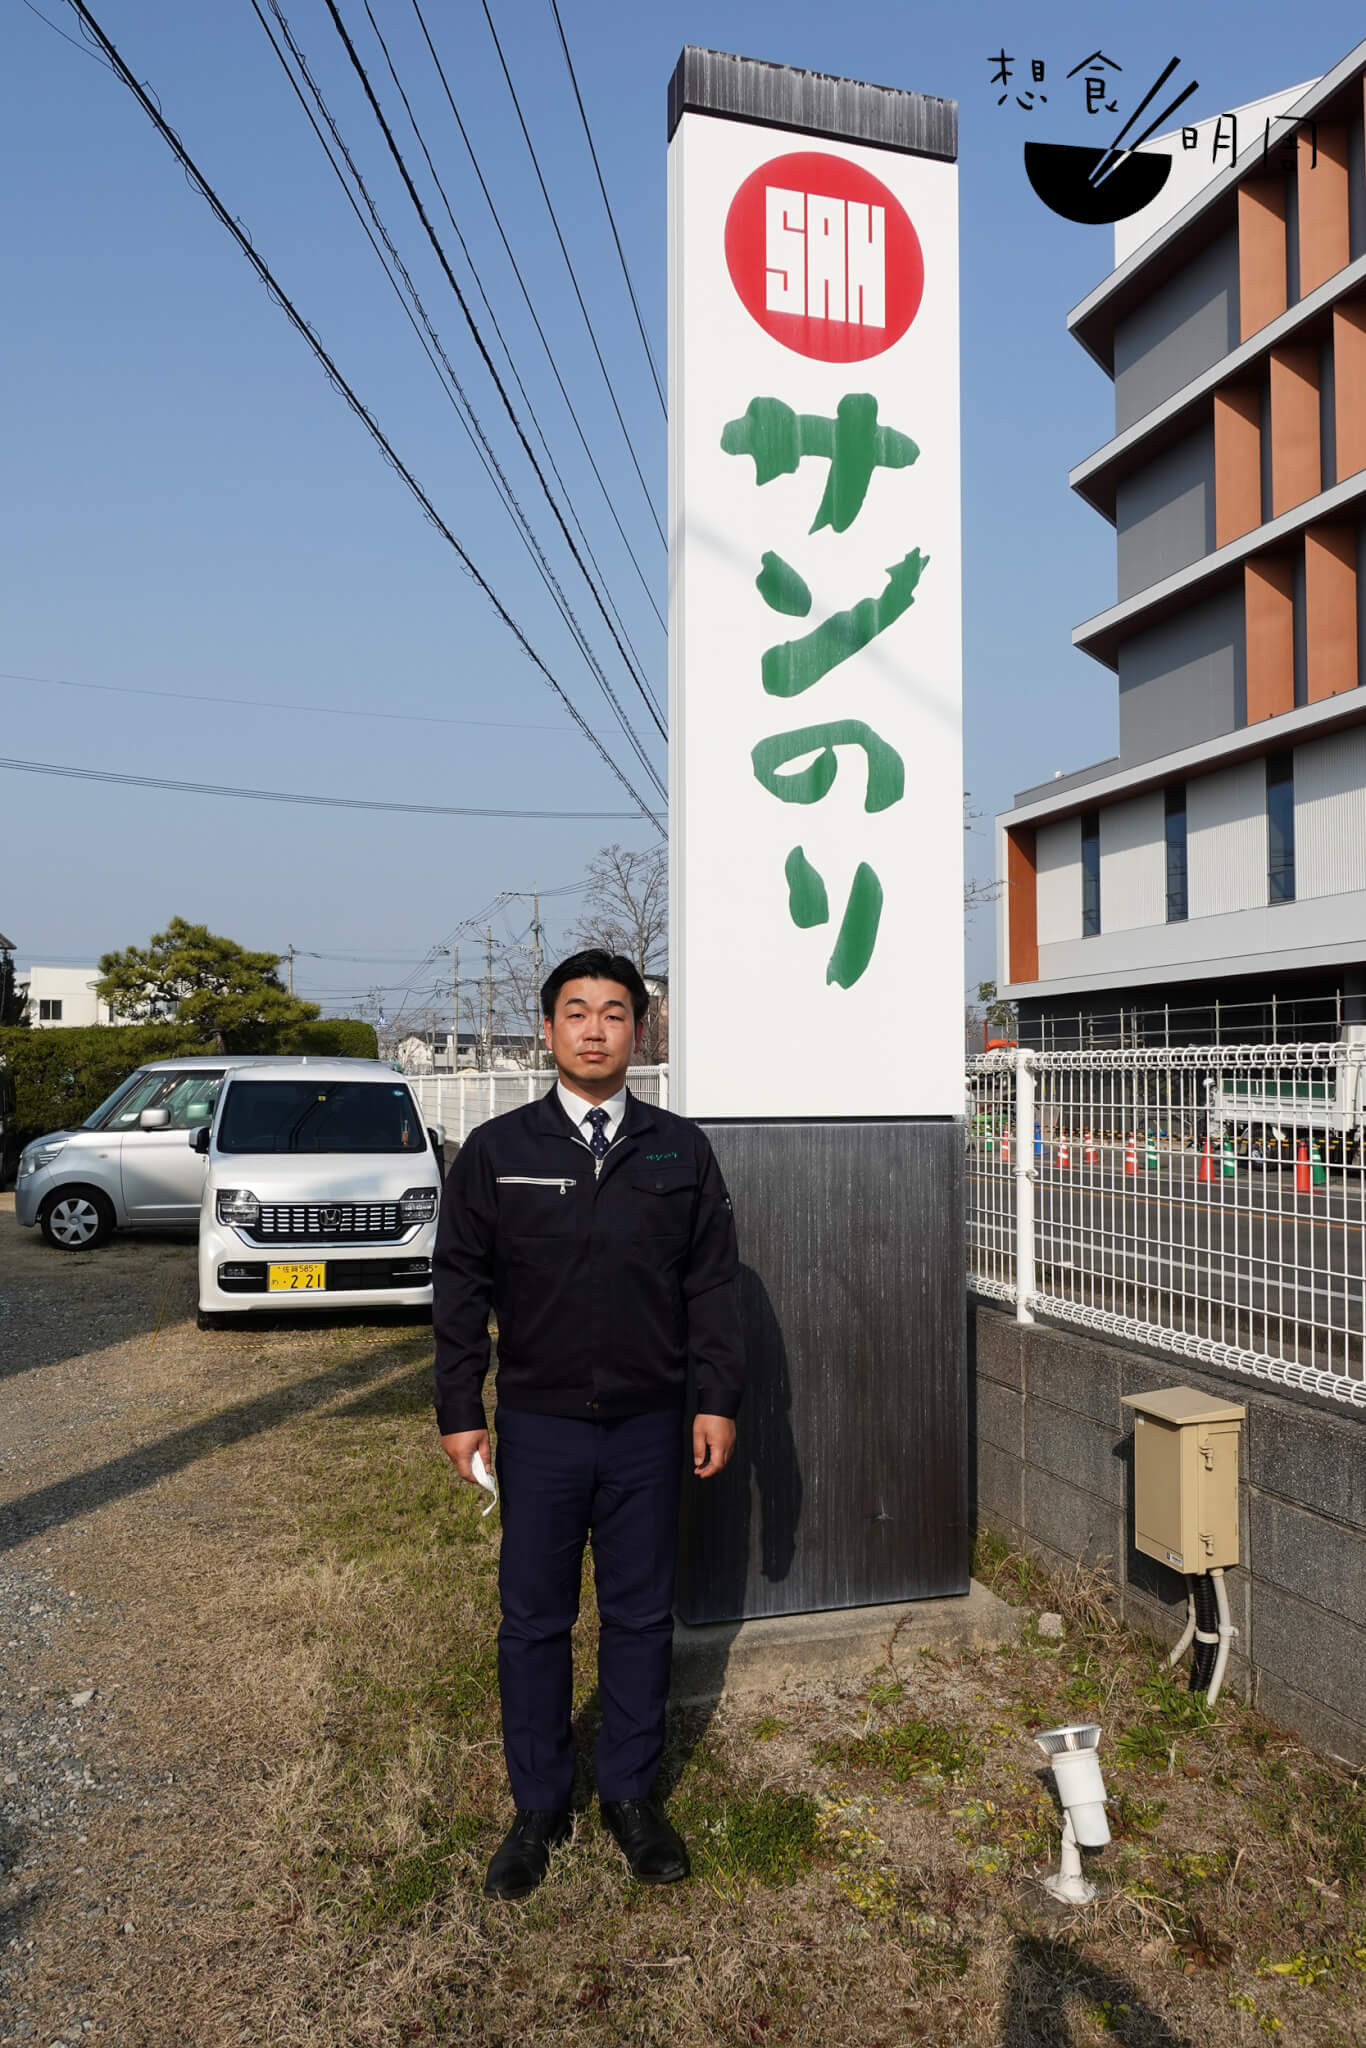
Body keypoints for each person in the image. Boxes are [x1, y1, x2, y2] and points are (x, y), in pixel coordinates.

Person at [432, 948, 744, 1901]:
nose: (597, 1028)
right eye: (578, 1012)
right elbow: (460, 1286)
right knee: (533, 1620)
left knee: (642, 1616)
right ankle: (538, 1805)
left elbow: (713, 1289)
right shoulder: (499, 1150)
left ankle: (631, 1796)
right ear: (549, 1030)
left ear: (639, 1032)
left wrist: (715, 1398)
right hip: (541, 1424)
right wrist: (460, 1409)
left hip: (651, 1428)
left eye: (616, 1012)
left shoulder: (678, 1150)